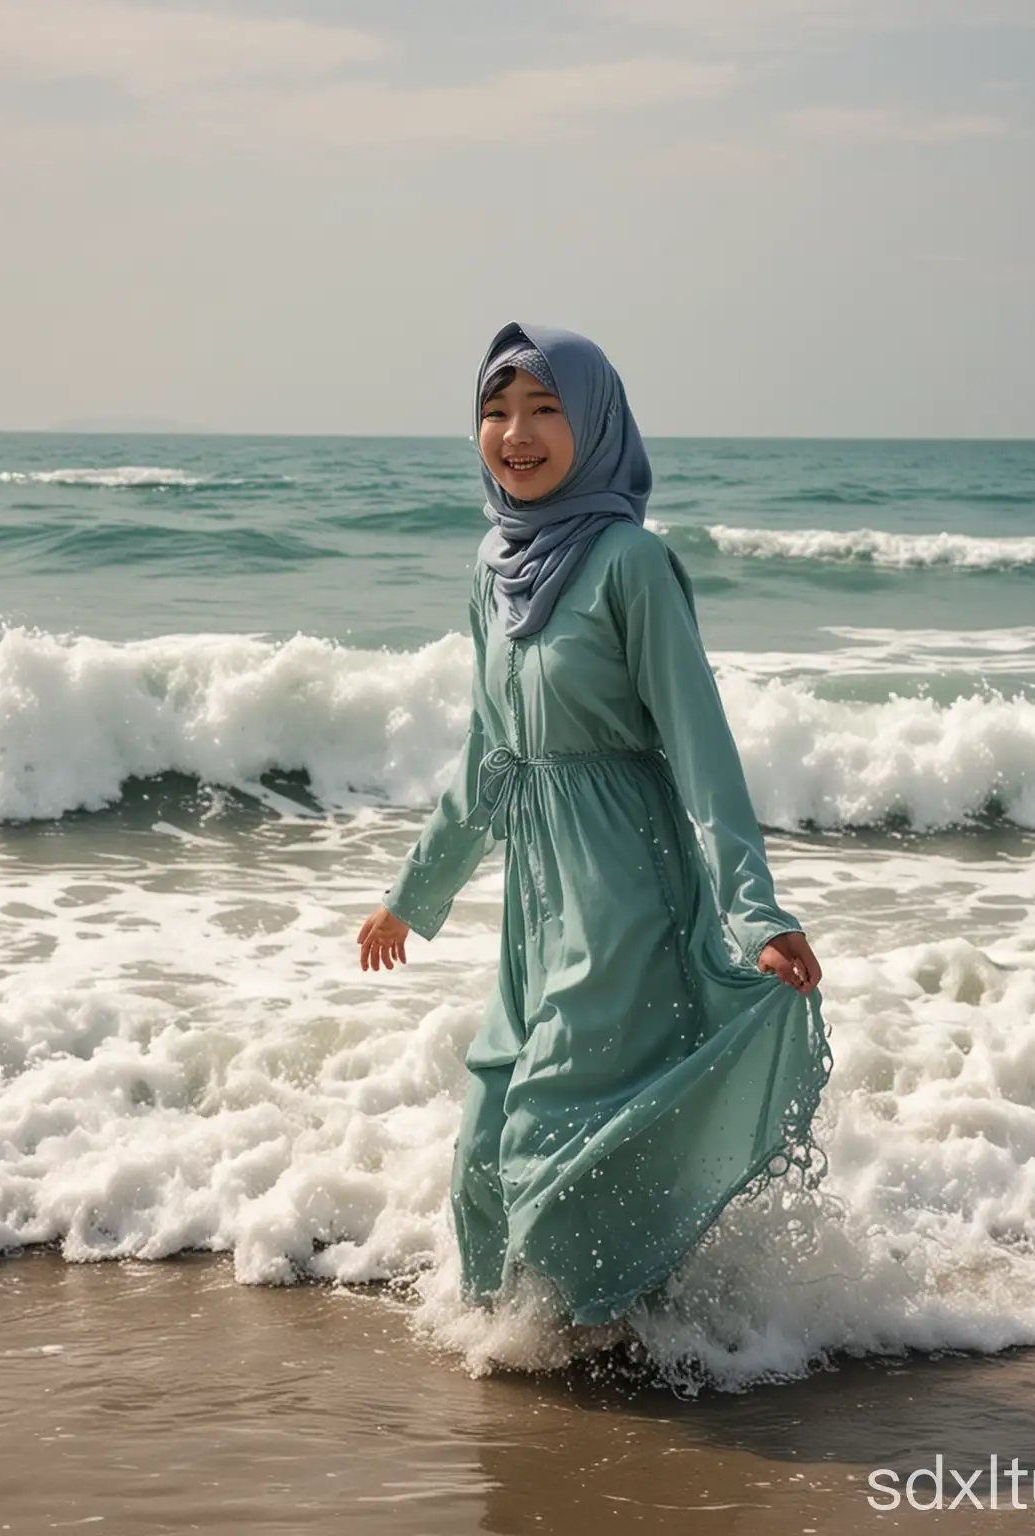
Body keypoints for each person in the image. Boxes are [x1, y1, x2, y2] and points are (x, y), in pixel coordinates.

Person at [358, 322, 830, 1328]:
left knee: (548, 1125)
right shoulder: (494, 571)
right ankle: (528, 1339)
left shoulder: (631, 565)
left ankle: (598, 1346)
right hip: (534, 900)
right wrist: (413, 897)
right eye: (495, 412)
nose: (515, 435)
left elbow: (702, 750)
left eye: (543, 410)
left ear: (595, 423)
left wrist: (756, 911)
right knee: (486, 1135)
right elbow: (488, 755)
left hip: (625, 885)